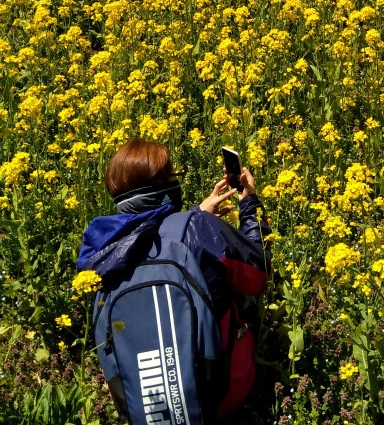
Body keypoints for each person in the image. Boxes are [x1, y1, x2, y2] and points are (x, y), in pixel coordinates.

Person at [77, 139, 271, 423]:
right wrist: (249, 205)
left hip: (139, 408)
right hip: (220, 398)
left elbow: (149, 235)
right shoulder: (196, 229)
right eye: (172, 177)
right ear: (162, 187)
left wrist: (195, 215)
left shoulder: (102, 251)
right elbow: (258, 274)